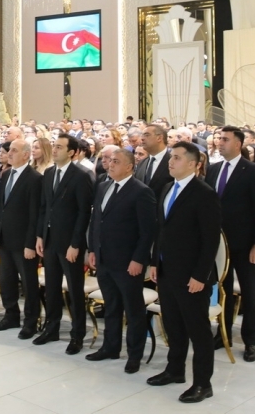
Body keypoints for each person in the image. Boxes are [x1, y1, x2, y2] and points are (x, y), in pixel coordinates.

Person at [148, 142, 221, 403]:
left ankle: (203, 383)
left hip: (191, 275)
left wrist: (200, 275)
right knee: (173, 324)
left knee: (198, 330)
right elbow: (161, 230)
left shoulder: (204, 193)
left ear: (193, 164)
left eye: (177, 158)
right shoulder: (168, 188)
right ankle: (175, 369)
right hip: (167, 270)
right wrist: (155, 262)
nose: (171, 161)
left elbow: (210, 239)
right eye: (171, 157)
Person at [86, 148, 156, 373]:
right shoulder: (103, 186)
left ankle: (135, 354)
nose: (110, 164)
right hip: (104, 258)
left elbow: (147, 231)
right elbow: (96, 221)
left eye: (116, 161)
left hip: (127, 261)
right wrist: (93, 249)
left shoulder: (141, 191)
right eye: (110, 161)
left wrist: (138, 259)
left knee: (133, 310)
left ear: (129, 166)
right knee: (111, 306)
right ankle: (111, 346)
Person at [205, 126, 255, 363]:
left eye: (225, 139)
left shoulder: (251, 170)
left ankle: (250, 341)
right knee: (223, 290)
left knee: (248, 293)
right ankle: (223, 334)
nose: (220, 142)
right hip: (219, 243)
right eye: (219, 139)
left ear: (238, 144)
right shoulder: (213, 169)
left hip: (244, 243)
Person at [34, 134, 94, 355]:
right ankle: (52, 327)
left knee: (74, 290)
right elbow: (44, 207)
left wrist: (76, 243)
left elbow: (83, 213)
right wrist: (40, 236)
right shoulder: (50, 173)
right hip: (50, 239)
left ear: (71, 152)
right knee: (51, 286)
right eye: (54, 146)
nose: (55, 150)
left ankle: (78, 334)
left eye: (60, 147)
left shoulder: (81, 175)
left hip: (70, 242)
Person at [0, 139, 42, 338]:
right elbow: (1, 208)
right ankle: (11, 315)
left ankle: (31, 321)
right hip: (5, 238)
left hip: (23, 242)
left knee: (28, 283)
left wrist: (30, 243)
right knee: (7, 280)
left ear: (26, 155)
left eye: (14, 150)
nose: (9, 153)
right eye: (9, 150)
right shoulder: (6, 175)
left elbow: (35, 214)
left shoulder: (35, 179)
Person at [136, 124, 172, 197]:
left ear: (159, 138)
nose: (142, 138)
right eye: (142, 135)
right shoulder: (142, 163)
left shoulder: (172, 161)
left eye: (147, 135)